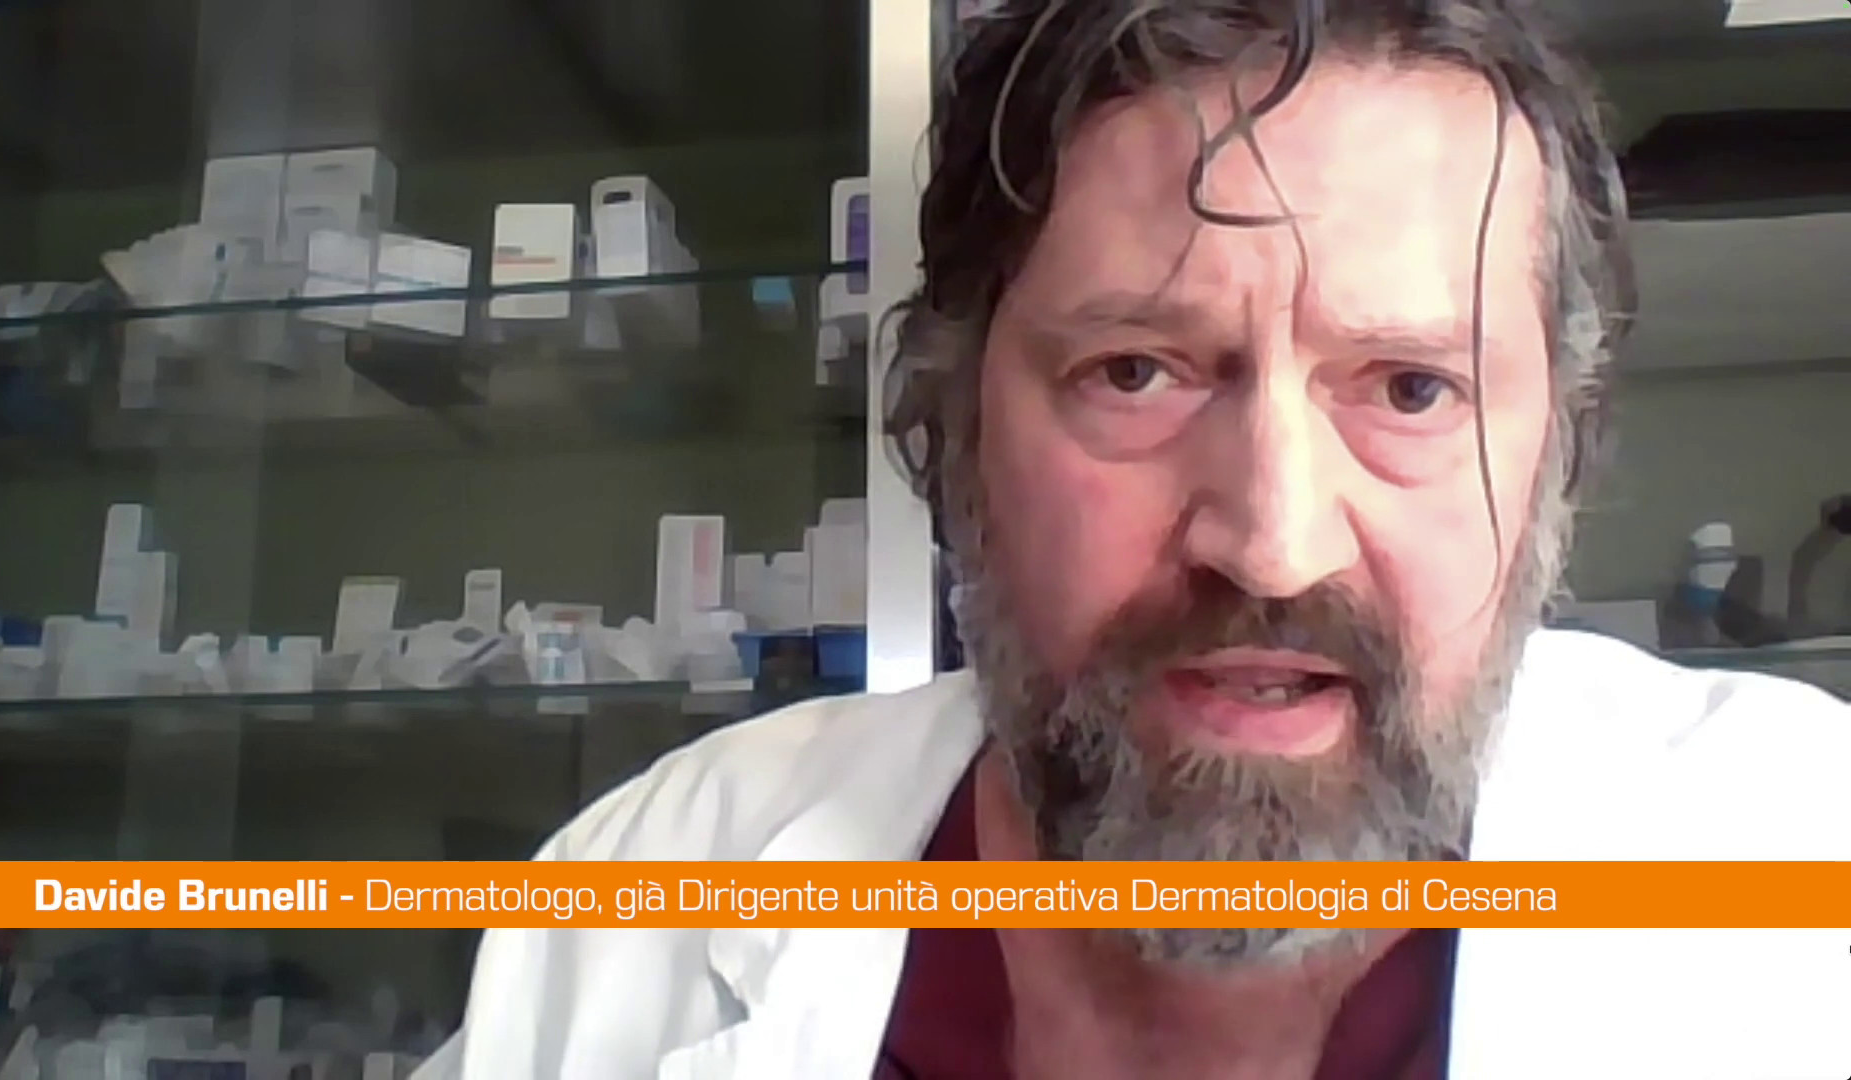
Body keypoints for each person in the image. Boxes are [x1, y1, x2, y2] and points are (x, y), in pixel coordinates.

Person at [416, 1, 1851, 1077]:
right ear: (951, 425)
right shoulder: (632, 910)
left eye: (1411, 389)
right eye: (1136, 373)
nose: (1274, 546)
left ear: (1556, 458)